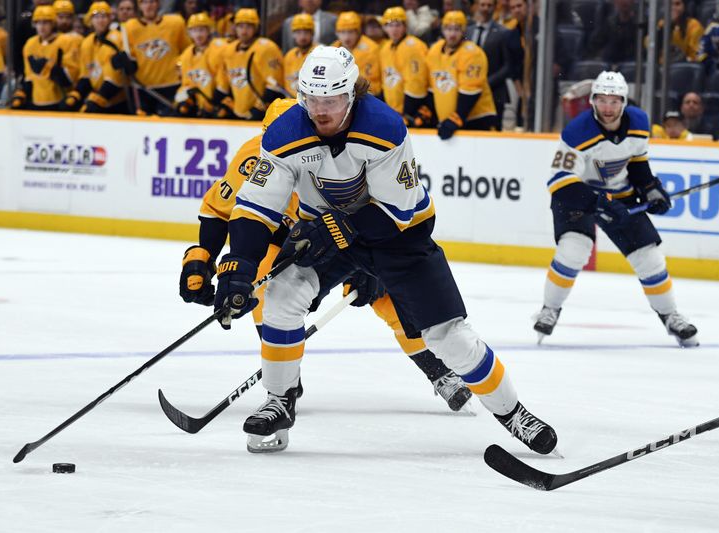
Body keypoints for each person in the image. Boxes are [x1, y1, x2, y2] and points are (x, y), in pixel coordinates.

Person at [215, 45, 558, 454]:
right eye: (312, 100)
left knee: (449, 338)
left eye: (332, 100)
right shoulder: (285, 133)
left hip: (401, 235)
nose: (321, 111)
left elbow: (395, 211)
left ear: (351, 94)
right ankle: (279, 399)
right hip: (329, 229)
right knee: (281, 295)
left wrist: (330, 233)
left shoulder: (383, 127)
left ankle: (512, 412)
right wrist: (239, 266)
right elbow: (256, 206)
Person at [181, 97, 473, 412]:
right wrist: (201, 256)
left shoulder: (345, 151)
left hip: (348, 232)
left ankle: (439, 372)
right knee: (268, 284)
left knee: (390, 298)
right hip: (291, 240)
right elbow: (218, 208)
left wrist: (370, 265)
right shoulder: (258, 158)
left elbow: (380, 212)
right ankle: (284, 376)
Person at [533, 71, 699, 348]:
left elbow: (636, 163)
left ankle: (670, 316)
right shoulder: (577, 131)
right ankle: (550, 309)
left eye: (614, 101)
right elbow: (560, 182)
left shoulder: (639, 122)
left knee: (650, 258)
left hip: (620, 196)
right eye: (602, 100)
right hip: (577, 197)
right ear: (592, 101)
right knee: (574, 251)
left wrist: (651, 188)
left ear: (624, 102)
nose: (607, 108)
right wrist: (600, 203)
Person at [426, 10, 496, 139]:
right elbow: (433, 86)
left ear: (463, 31)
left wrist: (456, 117)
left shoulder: (472, 53)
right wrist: (427, 110)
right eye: (449, 29)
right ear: (443, 30)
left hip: (477, 120)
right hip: (451, 120)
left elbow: (471, 91)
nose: (452, 34)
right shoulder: (435, 51)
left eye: (457, 29)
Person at [118, 0, 189, 115]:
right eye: (144, 2)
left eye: (152, 2)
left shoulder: (175, 23)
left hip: (171, 85)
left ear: (158, 4)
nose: (149, 6)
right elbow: (129, 55)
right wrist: (126, 62)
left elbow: (187, 51)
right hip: (142, 88)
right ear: (139, 6)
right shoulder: (130, 27)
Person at [214, 8, 284, 121]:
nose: (244, 31)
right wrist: (222, 104)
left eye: (248, 26)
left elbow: (275, 85)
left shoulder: (267, 48)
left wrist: (260, 108)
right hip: (237, 113)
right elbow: (223, 84)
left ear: (256, 28)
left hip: (263, 115)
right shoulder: (228, 50)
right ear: (235, 28)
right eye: (240, 26)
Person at [62, 1, 128, 114]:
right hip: (97, 96)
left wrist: (98, 99)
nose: (100, 20)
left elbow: (115, 79)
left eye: (104, 16)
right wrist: (76, 94)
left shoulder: (117, 38)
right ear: (90, 20)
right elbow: (86, 75)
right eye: (96, 17)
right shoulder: (87, 42)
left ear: (110, 19)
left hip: (117, 100)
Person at [14, 5, 79, 111]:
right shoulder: (30, 44)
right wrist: (22, 93)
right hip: (36, 102)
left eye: (45, 22)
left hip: (59, 102)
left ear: (53, 24)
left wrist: (47, 67)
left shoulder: (66, 42)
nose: (41, 27)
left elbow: (70, 79)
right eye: (38, 23)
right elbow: (29, 77)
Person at [467, 0, 518, 131]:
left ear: (495, 7)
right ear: (477, 6)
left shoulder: (504, 32)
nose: (485, 8)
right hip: (469, 91)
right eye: (483, 5)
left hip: (494, 91)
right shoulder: (468, 31)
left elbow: (508, 65)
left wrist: (487, 82)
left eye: (489, 5)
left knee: (493, 130)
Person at [378, 7, 432, 127]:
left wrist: (407, 113)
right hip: (394, 111)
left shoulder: (414, 47)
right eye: (390, 25)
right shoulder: (385, 48)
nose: (394, 29)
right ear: (384, 27)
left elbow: (416, 83)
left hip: (410, 111)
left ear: (405, 26)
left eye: (398, 25)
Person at [175, 12, 227, 118]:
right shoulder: (186, 55)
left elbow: (223, 83)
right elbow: (187, 84)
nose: (198, 35)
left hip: (218, 104)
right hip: (199, 107)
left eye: (201, 30)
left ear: (209, 31)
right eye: (194, 31)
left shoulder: (219, 49)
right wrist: (187, 101)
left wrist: (215, 101)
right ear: (189, 33)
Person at [332, 11, 381, 96]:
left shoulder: (372, 48)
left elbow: (375, 81)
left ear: (358, 32)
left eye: (350, 32)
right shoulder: (332, 49)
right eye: (342, 32)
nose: (347, 37)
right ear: (337, 33)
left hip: (368, 96)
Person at [282, 13, 317, 97]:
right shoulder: (289, 55)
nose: (302, 37)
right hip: (289, 104)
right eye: (298, 32)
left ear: (312, 34)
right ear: (293, 34)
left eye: (306, 32)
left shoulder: (319, 53)